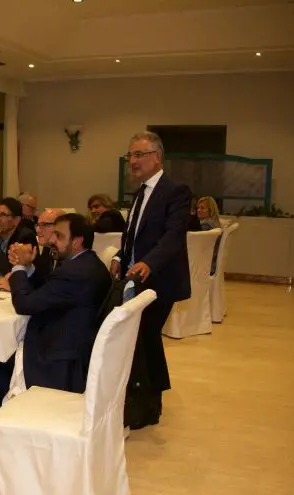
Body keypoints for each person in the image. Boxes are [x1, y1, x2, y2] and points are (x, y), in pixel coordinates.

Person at [110, 131, 191, 429]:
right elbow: (133, 235)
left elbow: (173, 236)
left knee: (146, 336)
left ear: (157, 156)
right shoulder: (141, 192)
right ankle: (142, 400)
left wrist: (149, 262)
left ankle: (150, 404)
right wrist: (120, 256)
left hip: (160, 279)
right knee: (142, 339)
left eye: (139, 154)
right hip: (135, 278)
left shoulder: (175, 191)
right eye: (130, 155)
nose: (133, 161)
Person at [6, 213, 112, 394]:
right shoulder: (89, 263)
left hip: (59, 359)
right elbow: (48, 291)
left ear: (77, 242)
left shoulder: (74, 273)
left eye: (59, 236)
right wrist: (28, 268)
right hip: (75, 342)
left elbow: (24, 305)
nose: (52, 240)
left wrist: (18, 267)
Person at [195, 196, 223, 274]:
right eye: (198, 208)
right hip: (213, 264)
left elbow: (199, 247)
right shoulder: (215, 223)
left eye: (202, 208)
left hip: (206, 265)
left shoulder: (206, 226)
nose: (198, 210)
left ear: (211, 210)